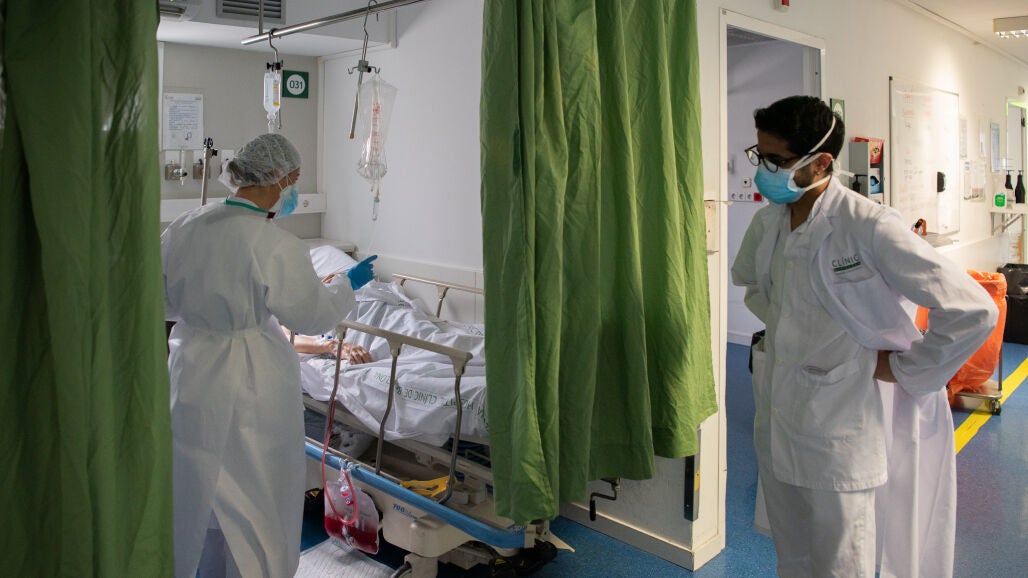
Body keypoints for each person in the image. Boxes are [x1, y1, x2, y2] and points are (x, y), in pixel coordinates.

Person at [731, 96, 997, 577]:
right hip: (778, 412)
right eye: (760, 156)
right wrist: (800, 337)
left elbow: (972, 309)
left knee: (841, 562)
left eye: (777, 161)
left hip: (841, 425)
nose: (763, 171)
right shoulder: (768, 221)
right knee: (792, 554)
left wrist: (904, 368)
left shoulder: (868, 226)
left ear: (821, 163)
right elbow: (754, 285)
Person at [162, 133, 377, 578]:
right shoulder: (272, 243)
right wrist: (347, 284)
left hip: (192, 368)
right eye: (294, 179)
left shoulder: (187, 225)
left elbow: (162, 298)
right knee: (256, 489)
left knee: (197, 484)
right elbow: (312, 315)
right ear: (275, 178)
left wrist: (209, 311)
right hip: (251, 377)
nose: (294, 189)